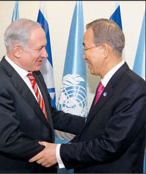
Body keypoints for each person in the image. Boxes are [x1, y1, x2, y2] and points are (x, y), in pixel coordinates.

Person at [29, 18, 146, 173]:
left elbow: (110, 146)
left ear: (104, 50)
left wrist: (59, 153)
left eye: (85, 48)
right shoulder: (109, 84)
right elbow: (94, 130)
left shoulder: (134, 88)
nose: (83, 56)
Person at [0, 18, 86, 173]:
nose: (46, 54)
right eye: (40, 48)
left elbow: (49, 115)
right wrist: (57, 153)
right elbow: (8, 139)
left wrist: (91, 123)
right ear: (17, 51)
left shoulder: (34, 74)